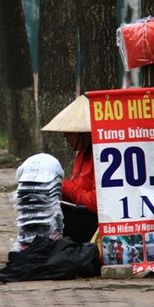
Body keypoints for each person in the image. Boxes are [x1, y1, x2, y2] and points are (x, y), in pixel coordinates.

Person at [41, 94, 98, 245]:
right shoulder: (81, 154)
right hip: (81, 214)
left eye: (69, 131)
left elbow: (95, 203)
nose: (65, 136)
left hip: (95, 222)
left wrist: (66, 187)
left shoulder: (98, 157)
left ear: (83, 132)